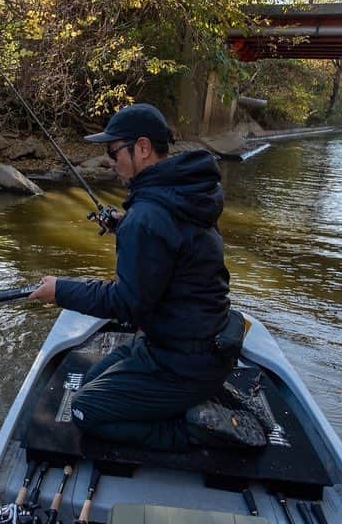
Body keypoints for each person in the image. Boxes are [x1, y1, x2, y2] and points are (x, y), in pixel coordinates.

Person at [29, 103, 247, 452]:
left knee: (84, 411)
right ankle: (189, 400)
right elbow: (176, 246)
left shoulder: (149, 214)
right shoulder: (187, 192)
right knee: (88, 380)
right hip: (190, 346)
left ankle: (196, 429)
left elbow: (126, 303)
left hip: (183, 361)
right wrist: (122, 224)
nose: (110, 160)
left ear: (142, 148)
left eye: (113, 151)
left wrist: (61, 291)